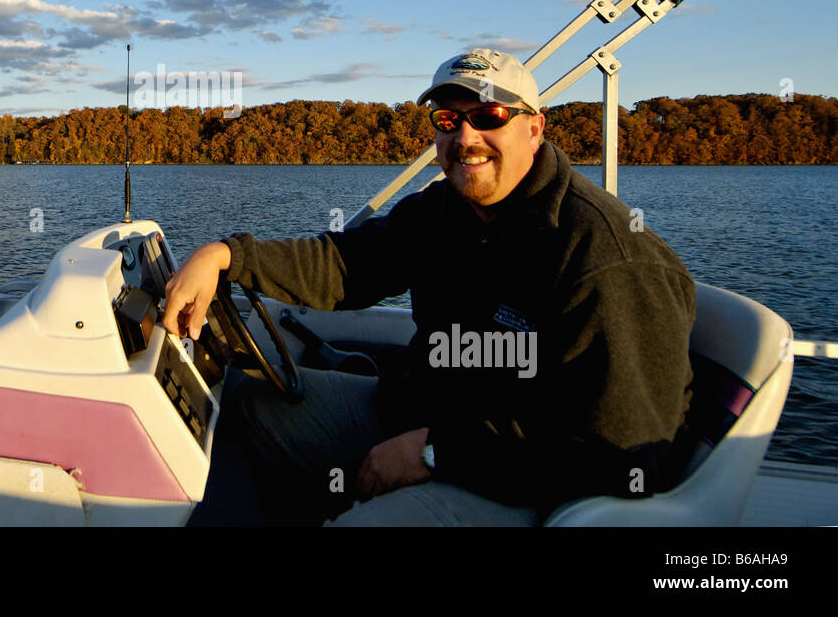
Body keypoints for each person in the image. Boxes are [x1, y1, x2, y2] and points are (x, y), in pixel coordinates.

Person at [166, 48, 696, 525]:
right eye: (448, 120)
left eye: (488, 117)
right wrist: (226, 255)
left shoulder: (604, 255)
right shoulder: (444, 211)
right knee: (238, 405)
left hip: (532, 485)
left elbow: (622, 451)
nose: (465, 139)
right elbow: (346, 264)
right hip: (422, 416)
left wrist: (435, 453)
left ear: (534, 128)